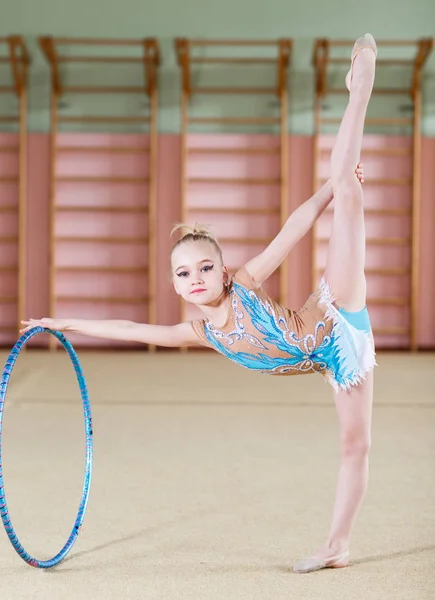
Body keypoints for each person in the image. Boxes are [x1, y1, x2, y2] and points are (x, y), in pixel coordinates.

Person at [21, 33, 377, 574]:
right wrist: (58, 321)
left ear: (225, 269)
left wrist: (330, 188)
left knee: (350, 198)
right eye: (184, 273)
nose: (196, 278)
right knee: (355, 446)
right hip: (335, 363)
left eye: (206, 266)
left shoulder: (248, 284)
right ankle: (338, 546)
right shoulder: (199, 333)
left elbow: (292, 230)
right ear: (175, 284)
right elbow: (127, 328)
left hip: (336, 313)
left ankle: (359, 88)